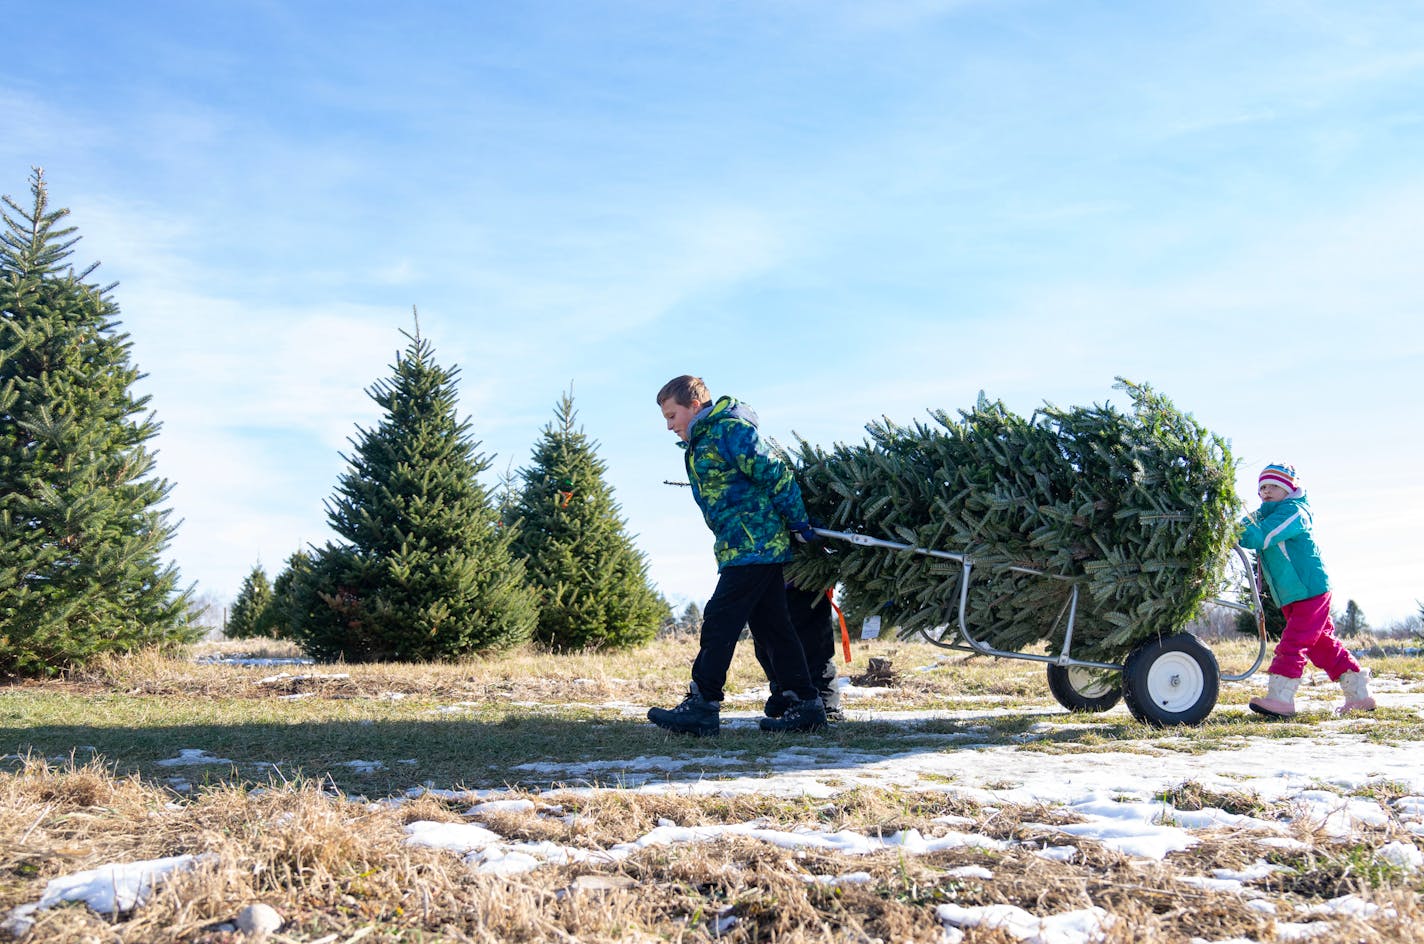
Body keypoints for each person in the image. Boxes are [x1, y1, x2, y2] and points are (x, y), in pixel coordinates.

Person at [648, 375, 828, 736]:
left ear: (694, 406)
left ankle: (703, 704)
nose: (669, 426)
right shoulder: (701, 442)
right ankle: (804, 703)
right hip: (739, 545)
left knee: (719, 619)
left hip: (756, 544)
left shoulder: (729, 431)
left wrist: (797, 521)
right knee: (772, 626)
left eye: (672, 416)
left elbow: (776, 474)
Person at [1241, 462, 1375, 718]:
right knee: (1321, 645)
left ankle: (1281, 697)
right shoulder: (1264, 514)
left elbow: (1263, 536)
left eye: (1273, 486)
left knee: (1294, 641)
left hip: (1309, 590)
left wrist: (1236, 534)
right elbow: (1248, 526)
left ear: (1288, 488)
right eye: (1262, 488)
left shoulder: (1294, 512)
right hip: (1291, 594)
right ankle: (1360, 695)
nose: (1266, 492)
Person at [756, 584, 843, 721]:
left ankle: (826, 706)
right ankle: (786, 695)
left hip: (806, 582)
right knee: (769, 647)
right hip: (771, 583)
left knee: (815, 648)